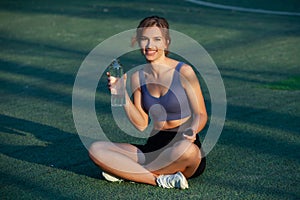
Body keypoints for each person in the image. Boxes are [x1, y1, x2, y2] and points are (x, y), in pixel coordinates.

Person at [89, 16, 207, 189]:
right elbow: (141, 124)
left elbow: (201, 114)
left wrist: (193, 129)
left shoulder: (184, 71)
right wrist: (122, 95)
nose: (150, 45)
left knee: (187, 151)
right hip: (154, 146)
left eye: (157, 39)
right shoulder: (138, 77)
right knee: (96, 149)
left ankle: (127, 172)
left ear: (166, 43)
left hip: (183, 142)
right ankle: (159, 179)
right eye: (144, 39)